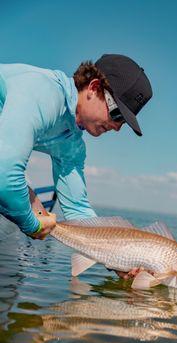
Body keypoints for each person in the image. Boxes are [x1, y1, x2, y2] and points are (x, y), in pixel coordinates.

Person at [0, 54, 153, 242]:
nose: (117, 127)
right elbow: (4, 176)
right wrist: (32, 224)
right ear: (94, 87)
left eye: (124, 122)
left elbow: (77, 209)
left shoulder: (72, 143)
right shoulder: (45, 92)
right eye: (117, 114)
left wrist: (120, 259)